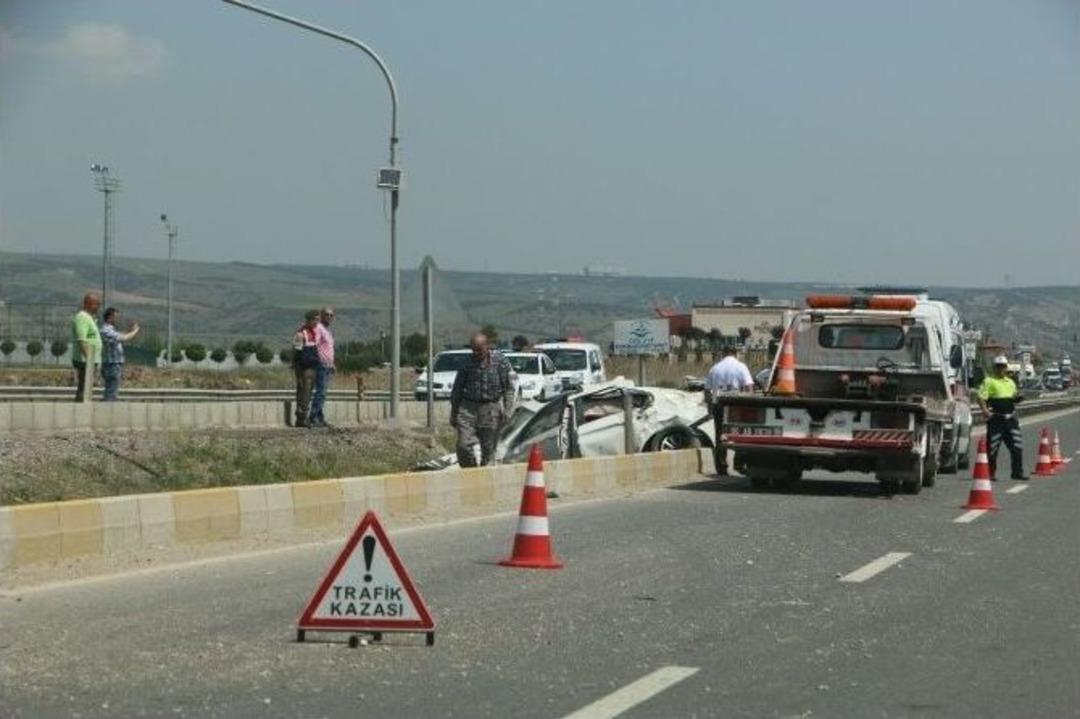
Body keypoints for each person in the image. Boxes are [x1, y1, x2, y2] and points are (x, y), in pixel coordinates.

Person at [450, 333, 515, 467]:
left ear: (487, 346)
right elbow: (457, 390)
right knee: (463, 445)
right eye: (473, 349)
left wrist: (508, 410)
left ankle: (485, 476)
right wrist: (454, 413)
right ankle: (470, 472)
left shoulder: (500, 362)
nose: (476, 353)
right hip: (468, 408)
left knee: (488, 451)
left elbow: (509, 388)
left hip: (491, 409)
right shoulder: (466, 363)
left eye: (479, 349)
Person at [705, 345, 755, 475]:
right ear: (735, 354)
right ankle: (739, 464)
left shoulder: (714, 368)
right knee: (740, 434)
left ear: (723, 354)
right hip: (736, 405)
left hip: (719, 404)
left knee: (720, 435)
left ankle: (721, 467)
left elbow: (707, 391)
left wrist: (710, 408)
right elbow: (749, 387)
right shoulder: (741, 366)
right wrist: (748, 404)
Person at [977, 355, 1028, 481]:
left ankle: (1017, 473)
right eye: (998, 366)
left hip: (1010, 419)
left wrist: (1019, 398)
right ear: (995, 368)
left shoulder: (1010, 382)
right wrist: (984, 410)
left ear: (1006, 367)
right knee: (993, 448)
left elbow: (1013, 398)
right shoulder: (989, 381)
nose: (1001, 369)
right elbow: (981, 397)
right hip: (996, 419)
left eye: (1003, 366)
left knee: (1017, 447)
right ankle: (990, 473)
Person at [99, 307, 140, 401]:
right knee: (111, 391)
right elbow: (124, 338)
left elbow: (121, 335)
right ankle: (108, 409)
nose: (118, 319)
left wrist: (130, 331)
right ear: (110, 317)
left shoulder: (110, 330)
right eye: (116, 317)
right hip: (111, 364)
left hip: (113, 364)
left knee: (111, 390)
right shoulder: (106, 330)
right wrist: (135, 331)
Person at [71, 292, 103, 401]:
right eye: (97, 304)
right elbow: (82, 340)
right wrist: (89, 360)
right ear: (89, 303)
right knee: (84, 388)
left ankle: (83, 407)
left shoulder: (89, 318)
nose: (99, 307)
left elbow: (90, 337)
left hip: (90, 360)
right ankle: (80, 410)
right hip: (85, 361)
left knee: (86, 388)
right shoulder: (82, 317)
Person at [292, 310, 321, 428]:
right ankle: (301, 416)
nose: (317, 322)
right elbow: (296, 351)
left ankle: (303, 415)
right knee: (303, 390)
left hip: (312, 366)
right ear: (309, 320)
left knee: (308, 391)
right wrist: (296, 365)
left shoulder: (313, 333)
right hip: (303, 367)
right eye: (315, 319)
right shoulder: (301, 334)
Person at [308, 306, 336, 427]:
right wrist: (319, 360)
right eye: (326, 314)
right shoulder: (319, 328)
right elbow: (315, 345)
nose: (329, 317)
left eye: (331, 315)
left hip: (328, 365)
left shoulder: (327, 331)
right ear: (321, 315)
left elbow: (328, 349)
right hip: (321, 365)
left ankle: (319, 417)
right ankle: (313, 416)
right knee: (321, 392)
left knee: (323, 392)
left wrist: (332, 364)